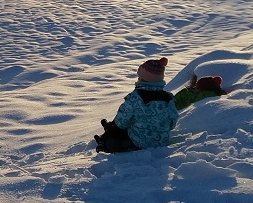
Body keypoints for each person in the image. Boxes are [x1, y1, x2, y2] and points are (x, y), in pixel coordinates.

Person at [94, 57, 227, 153]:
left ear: (142, 79)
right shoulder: (168, 98)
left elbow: (122, 121)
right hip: (161, 141)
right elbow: (172, 122)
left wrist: (118, 126)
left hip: (138, 141)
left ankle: (106, 142)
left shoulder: (135, 98)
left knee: (118, 131)